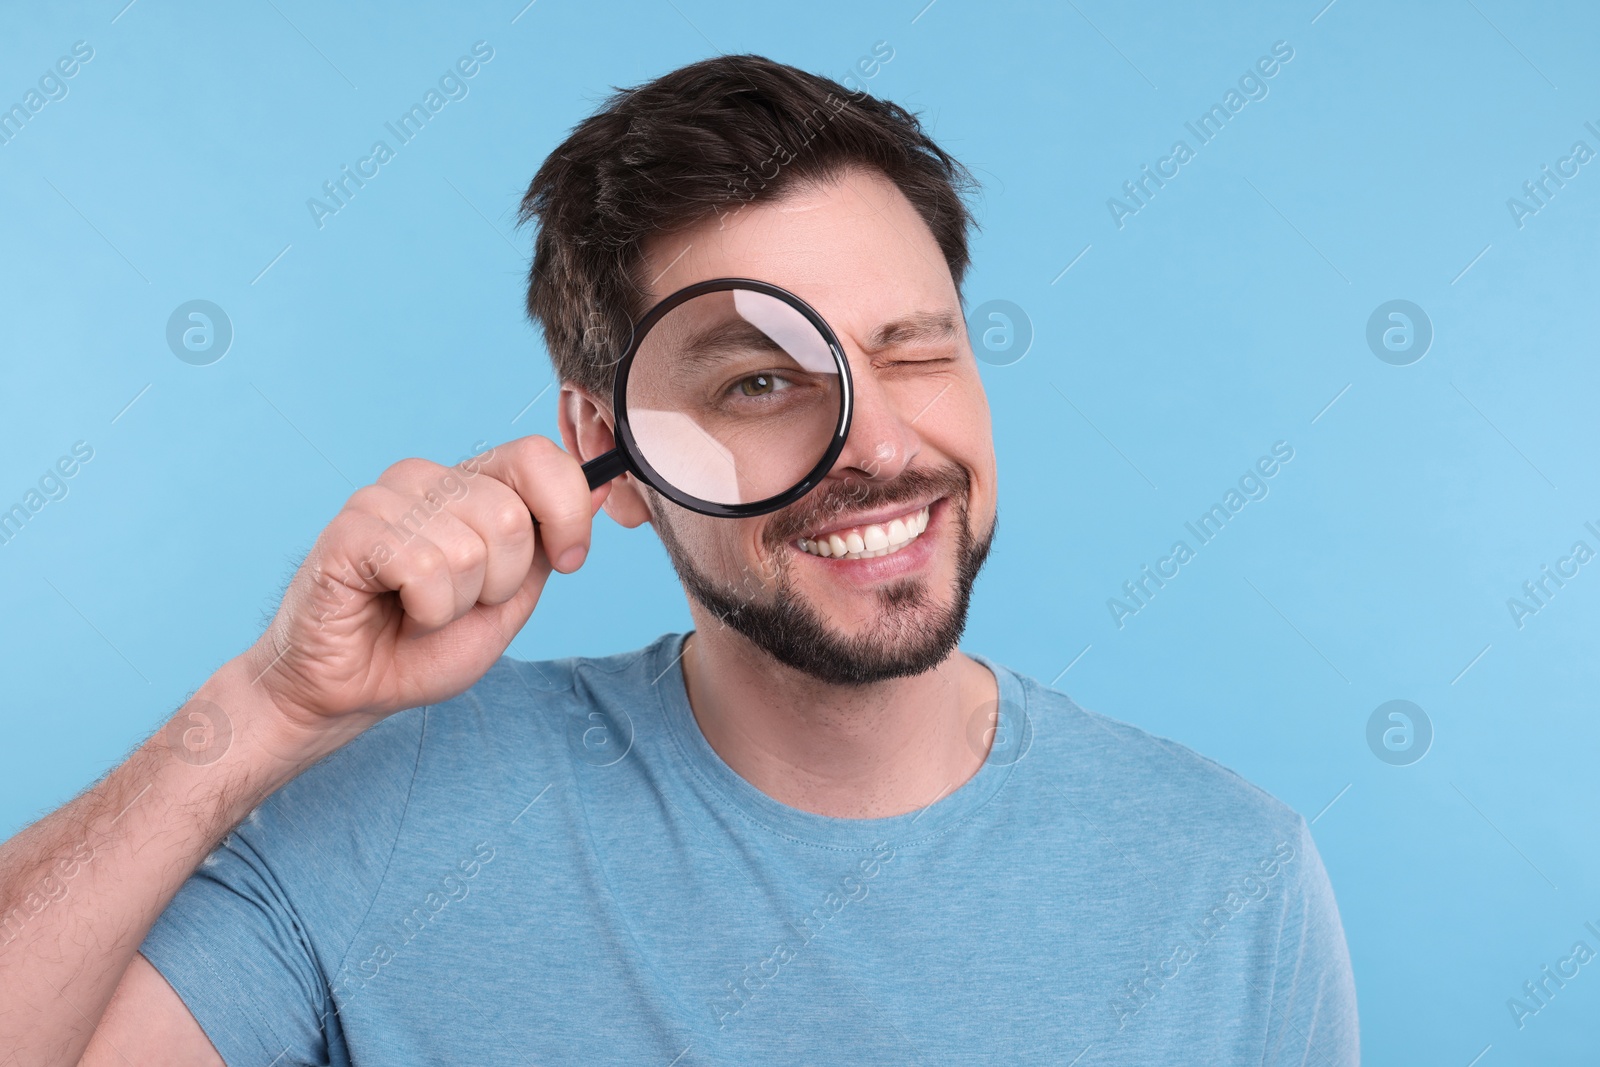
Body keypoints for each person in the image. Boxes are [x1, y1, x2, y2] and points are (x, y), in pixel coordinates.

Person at [0, 54, 1357, 1065]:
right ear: (615, 450)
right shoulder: (384, 815)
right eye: (763, 383)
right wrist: (269, 709)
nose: (877, 444)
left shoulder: (1230, 881)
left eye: (914, 346)